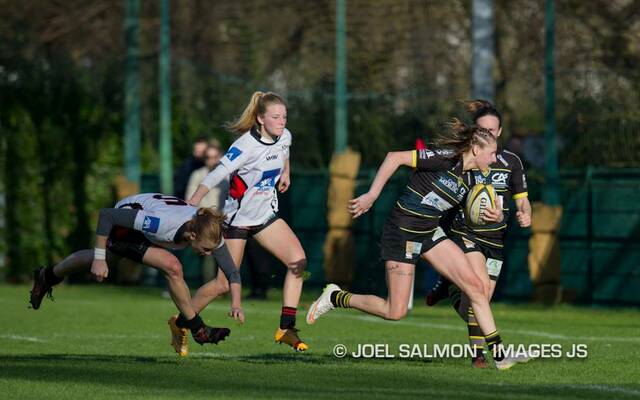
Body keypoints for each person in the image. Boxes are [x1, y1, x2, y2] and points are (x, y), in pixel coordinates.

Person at [306, 120, 525, 370]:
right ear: (476, 150)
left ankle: (499, 355)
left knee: (476, 286)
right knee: (395, 311)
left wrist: (496, 217)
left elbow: (477, 209)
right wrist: (371, 195)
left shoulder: (475, 178)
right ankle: (336, 296)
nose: (495, 159)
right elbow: (393, 157)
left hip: (430, 232)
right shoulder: (445, 158)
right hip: (402, 232)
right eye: (492, 153)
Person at [29, 193, 244, 357]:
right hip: (125, 223)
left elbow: (232, 271)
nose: (208, 254)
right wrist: (99, 258)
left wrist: (236, 303)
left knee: (119, 259)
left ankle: (47, 276)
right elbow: (107, 215)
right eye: (205, 249)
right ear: (193, 234)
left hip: (146, 227)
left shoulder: (210, 231)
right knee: (173, 266)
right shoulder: (160, 223)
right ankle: (198, 330)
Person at [178, 91, 308, 354]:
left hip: (265, 217)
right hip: (236, 222)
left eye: (284, 116)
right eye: (275, 116)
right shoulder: (245, 145)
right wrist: (192, 202)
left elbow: (284, 152)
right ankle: (182, 323)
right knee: (222, 285)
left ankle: (286, 328)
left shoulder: (285, 136)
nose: (282, 121)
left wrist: (286, 173)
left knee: (298, 262)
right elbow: (217, 173)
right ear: (260, 118)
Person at [425, 100, 532, 368]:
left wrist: (523, 213)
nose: (488, 134)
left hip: (495, 240)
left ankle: (448, 287)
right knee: (479, 293)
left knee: (475, 303)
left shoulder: (510, 161)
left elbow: (522, 199)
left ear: (500, 131)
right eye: (482, 129)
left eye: (492, 130)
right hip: (465, 235)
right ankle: (481, 355)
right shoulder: (464, 159)